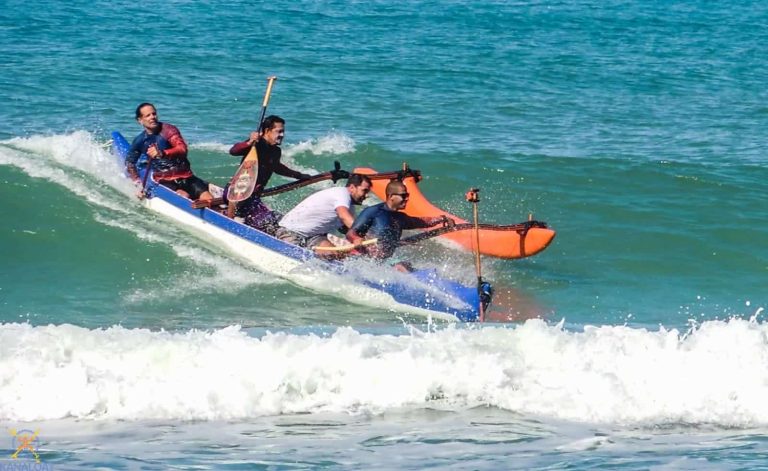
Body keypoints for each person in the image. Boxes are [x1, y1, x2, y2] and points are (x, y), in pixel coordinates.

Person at [346, 179, 454, 272]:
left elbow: (421, 222)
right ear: (391, 196)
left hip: (383, 262)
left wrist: (441, 218)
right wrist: (356, 239)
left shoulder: (400, 217)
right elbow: (351, 233)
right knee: (402, 268)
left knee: (407, 265)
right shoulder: (373, 211)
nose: (407, 198)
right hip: (365, 260)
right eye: (403, 195)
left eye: (407, 195)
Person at [226, 115, 311, 230]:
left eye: (283, 132)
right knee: (257, 220)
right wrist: (249, 142)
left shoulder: (276, 151)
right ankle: (231, 222)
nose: (282, 135)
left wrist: (299, 176)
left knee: (273, 221)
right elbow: (234, 151)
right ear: (267, 131)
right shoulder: (256, 144)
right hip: (237, 193)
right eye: (279, 131)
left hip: (253, 198)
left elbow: (278, 168)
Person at [126, 103, 213, 202]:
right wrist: (138, 184)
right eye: (148, 115)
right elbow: (130, 163)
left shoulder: (168, 130)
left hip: (185, 175)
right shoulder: (140, 141)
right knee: (184, 195)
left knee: (209, 199)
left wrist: (163, 153)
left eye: (154, 114)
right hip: (164, 180)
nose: (152, 117)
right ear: (140, 120)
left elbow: (182, 148)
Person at [275, 174, 373, 254]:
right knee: (294, 253)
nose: (366, 195)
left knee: (333, 255)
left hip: (315, 236)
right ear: (352, 187)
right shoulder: (342, 194)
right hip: (291, 231)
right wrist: (358, 236)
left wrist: (366, 242)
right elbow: (343, 216)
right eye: (364, 190)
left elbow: (348, 231)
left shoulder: (350, 208)